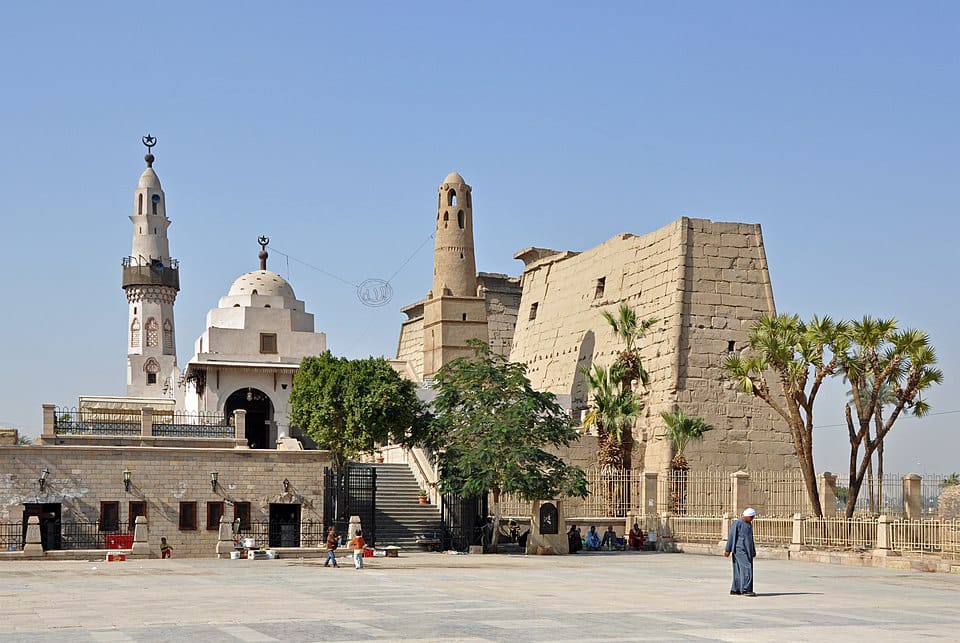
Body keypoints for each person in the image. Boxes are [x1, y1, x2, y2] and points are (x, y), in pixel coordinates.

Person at [725, 508, 758, 596]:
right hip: (739, 550)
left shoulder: (749, 524)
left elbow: (750, 539)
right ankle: (746, 589)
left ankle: (736, 589)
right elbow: (732, 536)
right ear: (746, 516)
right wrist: (728, 549)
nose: (752, 519)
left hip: (747, 550)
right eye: (751, 517)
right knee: (747, 568)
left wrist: (753, 550)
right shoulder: (738, 523)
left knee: (739, 569)